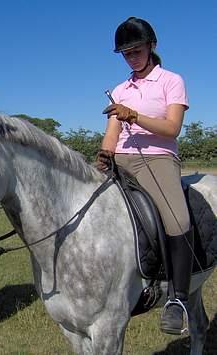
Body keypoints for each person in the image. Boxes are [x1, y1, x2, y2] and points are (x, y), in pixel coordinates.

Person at [96, 17, 194, 335]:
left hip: (158, 158)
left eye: (136, 51)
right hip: (121, 159)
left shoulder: (171, 80)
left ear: (151, 46)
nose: (131, 57)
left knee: (177, 220)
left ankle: (177, 300)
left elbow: (172, 128)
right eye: (126, 54)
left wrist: (135, 115)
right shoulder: (121, 89)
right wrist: (103, 156)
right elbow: (112, 133)